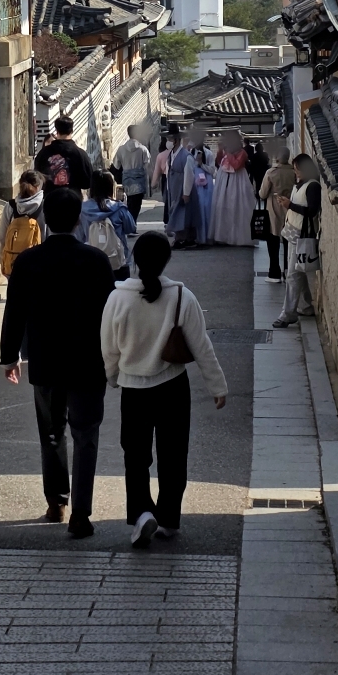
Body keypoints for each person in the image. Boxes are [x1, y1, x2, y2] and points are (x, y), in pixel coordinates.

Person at [0, 187, 115, 537]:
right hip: (89, 360)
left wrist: (9, 356)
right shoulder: (96, 261)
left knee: (52, 433)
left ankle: (57, 501)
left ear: (46, 218)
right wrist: (116, 359)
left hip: (46, 359)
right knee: (86, 434)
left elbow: (14, 311)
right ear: (78, 218)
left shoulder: (28, 262)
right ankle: (81, 510)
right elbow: (111, 315)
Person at [101, 231, 227, 548]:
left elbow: (109, 348)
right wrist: (217, 385)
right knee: (173, 454)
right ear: (167, 260)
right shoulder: (182, 296)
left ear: (134, 259)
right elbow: (202, 347)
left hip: (134, 390)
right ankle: (169, 517)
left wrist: (113, 376)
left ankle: (142, 513)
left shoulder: (117, 298)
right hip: (173, 386)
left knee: (135, 455)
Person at [274, 154, 323, 328]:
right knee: (297, 271)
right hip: (293, 231)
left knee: (293, 275)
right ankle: (305, 306)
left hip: (302, 234)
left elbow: (312, 211)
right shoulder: (300, 184)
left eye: (298, 169)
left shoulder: (313, 186)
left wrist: (290, 205)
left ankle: (288, 314)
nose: (296, 173)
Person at [79, 170, 139, 277]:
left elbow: (79, 236)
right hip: (118, 260)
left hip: (91, 260)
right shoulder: (119, 208)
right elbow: (131, 227)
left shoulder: (82, 210)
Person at [210, 129, 255, 246]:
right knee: (222, 206)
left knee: (238, 206)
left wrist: (228, 153)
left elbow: (236, 165)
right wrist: (221, 150)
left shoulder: (242, 153)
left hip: (238, 180)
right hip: (224, 179)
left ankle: (236, 236)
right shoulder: (225, 151)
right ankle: (223, 235)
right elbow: (218, 162)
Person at [258, 143, 295, 284]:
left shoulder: (271, 173)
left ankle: (274, 272)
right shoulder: (293, 172)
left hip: (273, 209)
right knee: (288, 242)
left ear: (277, 158)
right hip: (289, 208)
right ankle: (288, 271)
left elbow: (262, 193)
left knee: (273, 242)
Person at [0, 170, 46, 276]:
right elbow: (47, 236)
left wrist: (3, 260)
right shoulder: (45, 206)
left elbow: (2, 237)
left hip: (14, 264)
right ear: (38, 187)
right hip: (38, 265)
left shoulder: (10, 207)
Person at [34, 115, 94, 191]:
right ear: (72, 130)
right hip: (73, 199)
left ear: (57, 131)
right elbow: (88, 182)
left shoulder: (44, 153)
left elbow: (37, 177)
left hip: (50, 199)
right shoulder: (80, 154)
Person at [112, 126, 152, 222]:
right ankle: (132, 224)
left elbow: (116, 165)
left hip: (127, 179)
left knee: (129, 202)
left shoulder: (121, 149)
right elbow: (148, 165)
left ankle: (129, 224)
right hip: (139, 180)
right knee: (137, 204)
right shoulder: (143, 149)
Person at [163, 131, 196, 247]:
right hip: (173, 188)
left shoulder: (186, 156)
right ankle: (179, 238)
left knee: (184, 214)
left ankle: (185, 239)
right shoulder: (171, 155)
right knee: (175, 213)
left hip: (182, 189)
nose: (168, 142)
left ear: (176, 140)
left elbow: (189, 175)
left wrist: (186, 193)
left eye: (170, 139)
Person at [188, 143, 215, 246]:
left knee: (206, 209)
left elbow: (212, 170)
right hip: (195, 182)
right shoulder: (190, 153)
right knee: (197, 209)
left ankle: (207, 236)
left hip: (206, 184)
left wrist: (201, 164)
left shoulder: (208, 154)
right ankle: (197, 236)